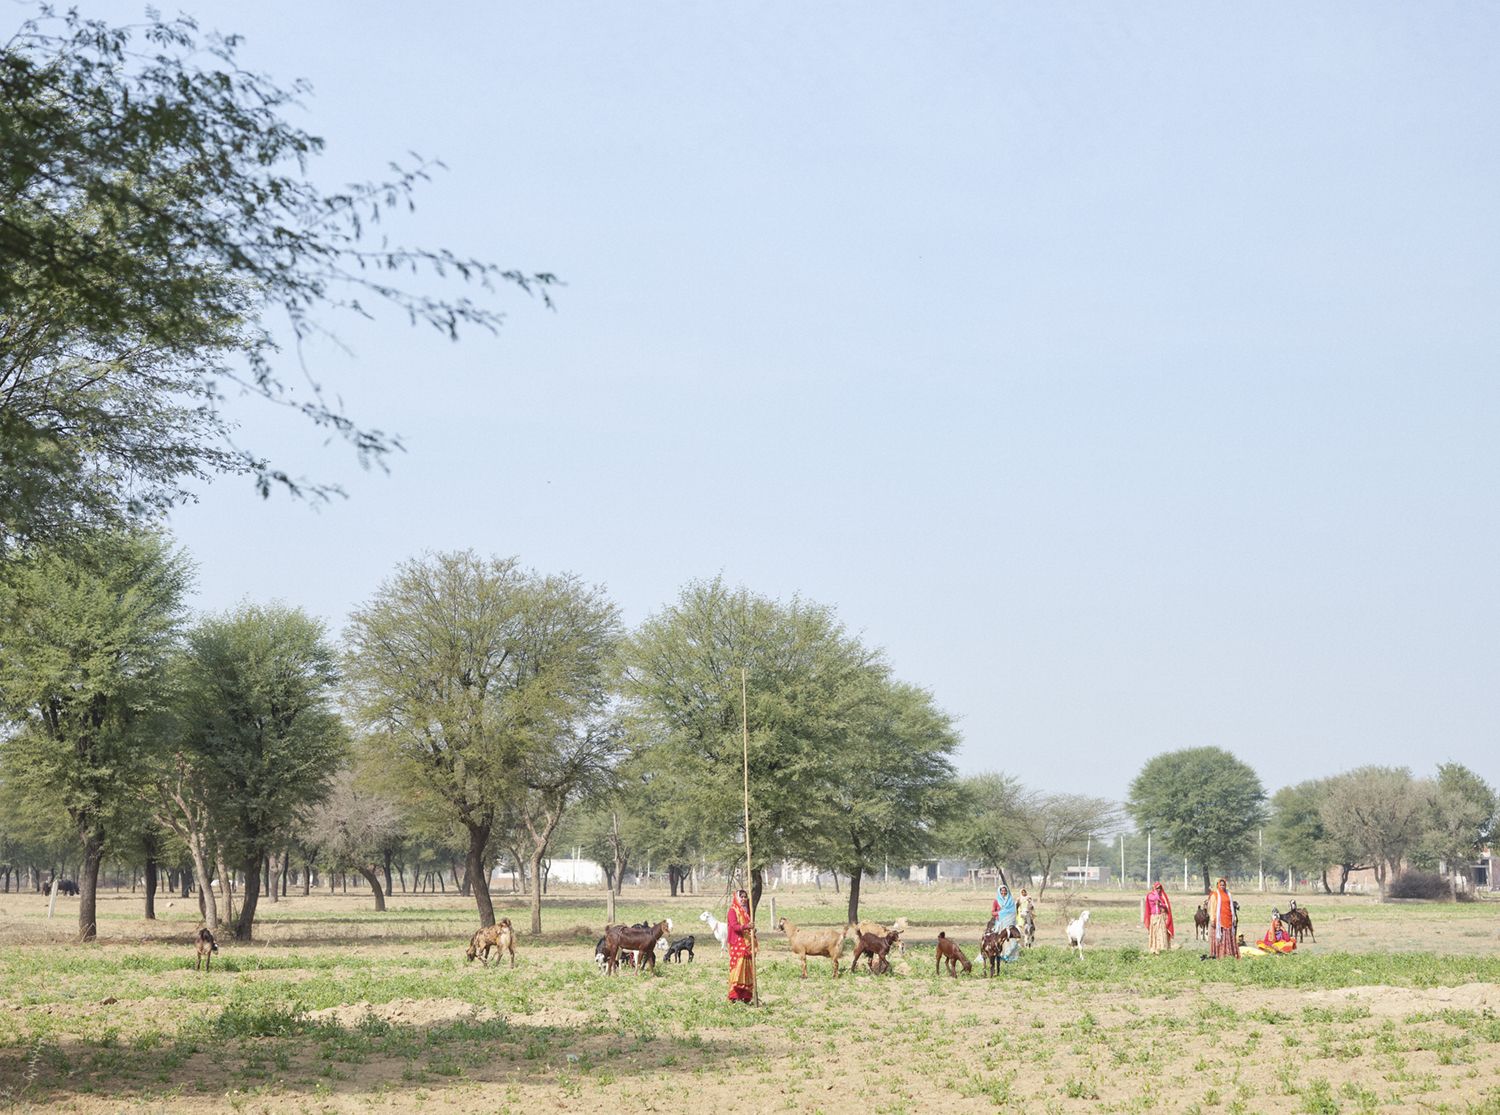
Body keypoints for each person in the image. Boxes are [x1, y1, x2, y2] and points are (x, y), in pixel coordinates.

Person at [726, 888, 755, 1003]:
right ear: (737, 898)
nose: (743, 899)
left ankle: (746, 996)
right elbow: (734, 926)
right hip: (737, 944)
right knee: (738, 969)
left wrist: (752, 929)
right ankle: (734, 996)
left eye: (745, 897)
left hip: (747, 944)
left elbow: (747, 926)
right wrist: (746, 927)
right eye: (741, 897)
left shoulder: (747, 911)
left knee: (747, 969)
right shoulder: (732, 911)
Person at [1207, 877, 1238, 959]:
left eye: (1223, 885)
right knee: (1220, 937)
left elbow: (1231, 906)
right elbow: (1212, 908)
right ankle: (1218, 954)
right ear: (1217, 885)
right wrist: (1212, 919)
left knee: (1229, 936)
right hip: (1219, 921)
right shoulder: (1215, 895)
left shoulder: (1228, 894)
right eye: (1220, 885)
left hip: (1228, 919)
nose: (1222, 886)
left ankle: (1229, 954)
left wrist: (1233, 918)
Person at [1143, 881, 1174, 954]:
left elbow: (1166, 906)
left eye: (1160, 888)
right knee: (1154, 933)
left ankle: (1162, 948)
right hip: (1154, 917)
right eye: (1157, 888)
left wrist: (1161, 904)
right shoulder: (1150, 895)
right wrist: (1158, 898)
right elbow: (1155, 899)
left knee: (1162, 932)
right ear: (1154, 888)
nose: (1159, 890)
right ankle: (1154, 948)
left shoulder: (1162, 896)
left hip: (1160, 917)